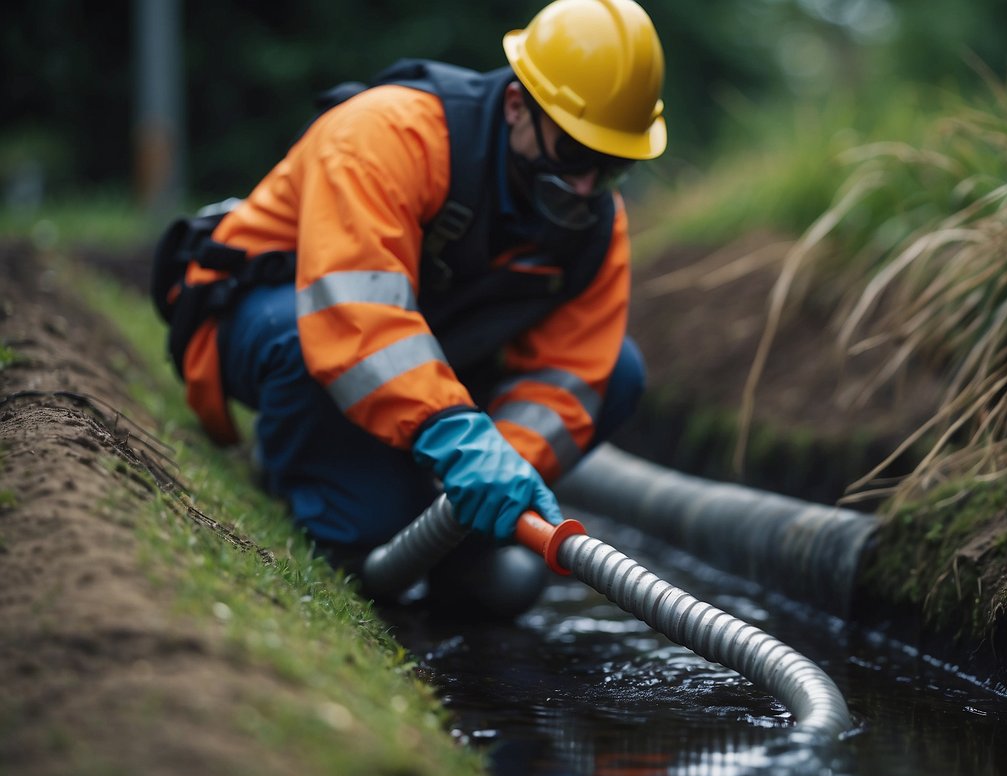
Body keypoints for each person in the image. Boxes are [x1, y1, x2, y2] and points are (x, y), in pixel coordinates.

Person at [160, 0, 667, 618]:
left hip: (403, 357)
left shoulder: (594, 230)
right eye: (573, 154)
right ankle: (295, 460)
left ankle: (425, 506)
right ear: (516, 107)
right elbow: (355, 315)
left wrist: (495, 478)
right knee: (367, 531)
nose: (587, 185)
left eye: (610, 165)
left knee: (620, 369)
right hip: (278, 321)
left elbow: (568, 376)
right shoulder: (386, 133)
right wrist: (458, 442)